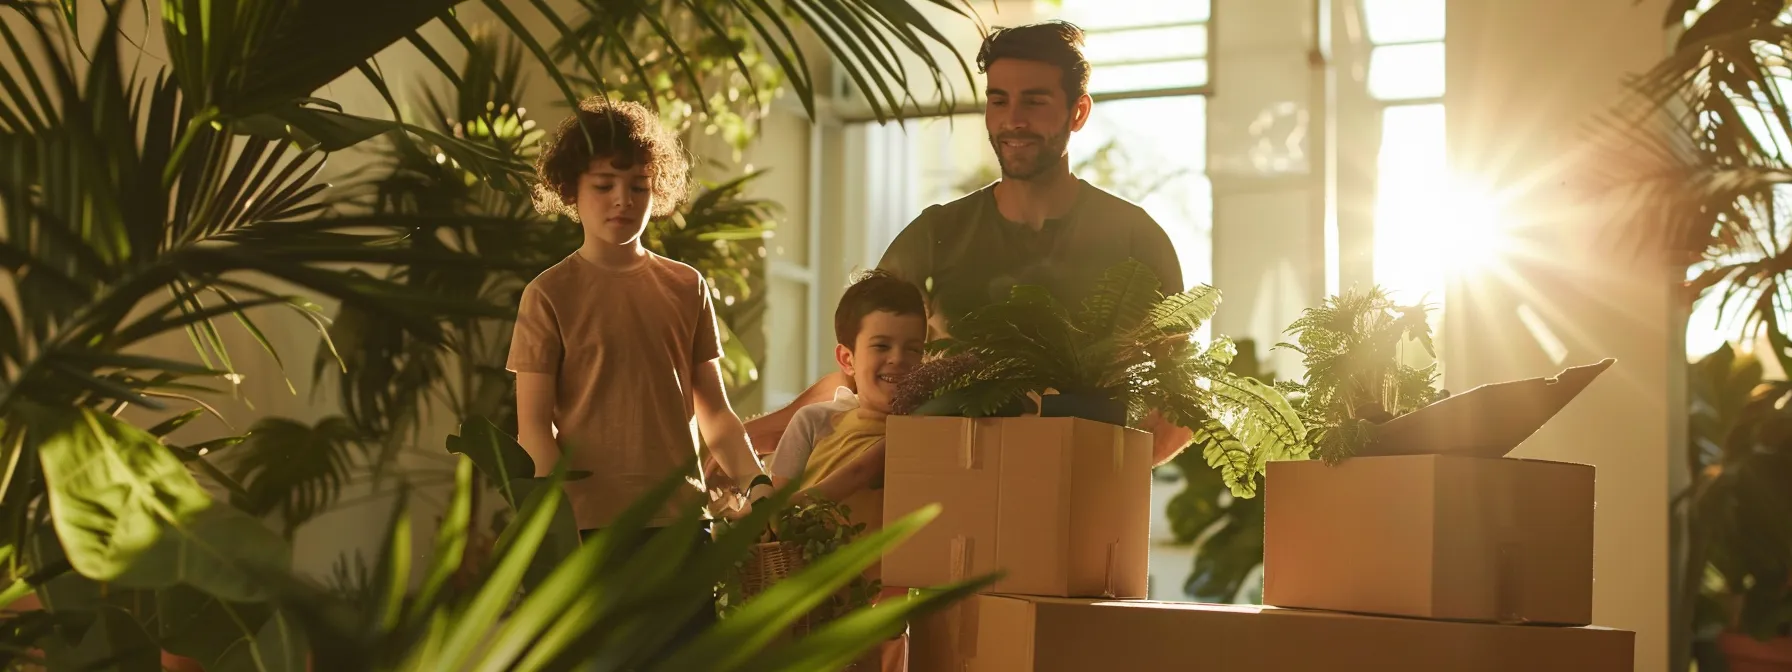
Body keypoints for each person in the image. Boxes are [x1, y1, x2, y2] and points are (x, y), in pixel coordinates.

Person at [747, 20, 1195, 465]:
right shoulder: (935, 235)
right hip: (945, 484)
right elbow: (863, 376)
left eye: (1034, 101)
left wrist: (1114, 472)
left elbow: (1184, 400)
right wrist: (738, 443)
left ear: (1078, 113)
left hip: (1084, 492)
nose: (1012, 120)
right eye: (998, 100)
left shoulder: (1136, 239)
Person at [507, 97, 770, 641]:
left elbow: (716, 413)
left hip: (681, 529)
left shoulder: (686, 286)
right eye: (604, 185)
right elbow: (533, 430)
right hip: (588, 533)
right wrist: (557, 535)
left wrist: (758, 484)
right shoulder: (548, 294)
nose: (622, 200)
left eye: (638, 186)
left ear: (658, 191)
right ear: (571, 190)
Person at [767, 270, 925, 672]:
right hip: (798, 608)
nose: (898, 359)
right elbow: (775, 516)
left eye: (913, 348)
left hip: (870, 620)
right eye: (881, 345)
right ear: (847, 359)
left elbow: (915, 533)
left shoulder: (927, 436)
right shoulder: (816, 422)